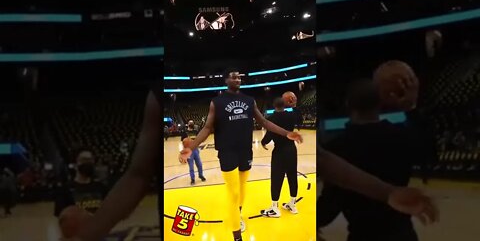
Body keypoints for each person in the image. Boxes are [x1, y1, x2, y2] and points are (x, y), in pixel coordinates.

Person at [65, 76, 438, 241]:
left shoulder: (252, 105)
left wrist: (387, 191)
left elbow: (316, 156)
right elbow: (137, 175)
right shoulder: (189, 98)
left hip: (242, 164)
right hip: (222, 169)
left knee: (240, 202)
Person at [178, 69, 303, 241]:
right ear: (226, 80)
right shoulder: (217, 102)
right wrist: (191, 147)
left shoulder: (249, 100)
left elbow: (265, 122)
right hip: (227, 151)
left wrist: (286, 133)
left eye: (239, 76)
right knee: (233, 193)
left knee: (242, 191)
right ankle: (236, 235)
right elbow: (207, 128)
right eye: (233, 76)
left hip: (246, 151)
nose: (238, 79)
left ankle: (238, 216)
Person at [317, 79, 421, 241]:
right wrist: (411, 105)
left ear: (348, 104)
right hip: (403, 233)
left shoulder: (338, 147)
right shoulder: (402, 136)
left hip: (363, 234)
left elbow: (332, 202)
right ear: (380, 103)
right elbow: (428, 152)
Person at [260, 97, 300, 217]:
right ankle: (292, 204)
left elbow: (269, 135)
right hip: (292, 150)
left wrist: (263, 142)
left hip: (279, 151)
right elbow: (299, 119)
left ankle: (274, 208)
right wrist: (294, 105)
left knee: (276, 178)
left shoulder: (271, 119)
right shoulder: (291, 116)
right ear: (285, 105)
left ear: (274, 106)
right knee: (292, 176)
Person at [54, 150, 107, 217]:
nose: (88, 163)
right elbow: (61, 217)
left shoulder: (101, 187)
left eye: (90, 160)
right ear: (75, 164)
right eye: (84, 160)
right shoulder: (64, 190)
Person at [181, 120, 206, 185]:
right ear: (188, 124)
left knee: (199, 165)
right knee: (191, 167)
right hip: (189, 151)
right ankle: (192, 179)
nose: (191, 124)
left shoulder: (196, 132)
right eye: (190, 123)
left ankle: (201, 175)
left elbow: (199, 139)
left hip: (195, 150)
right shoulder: (184, 133)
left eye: (192, 123)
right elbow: (183, 142)